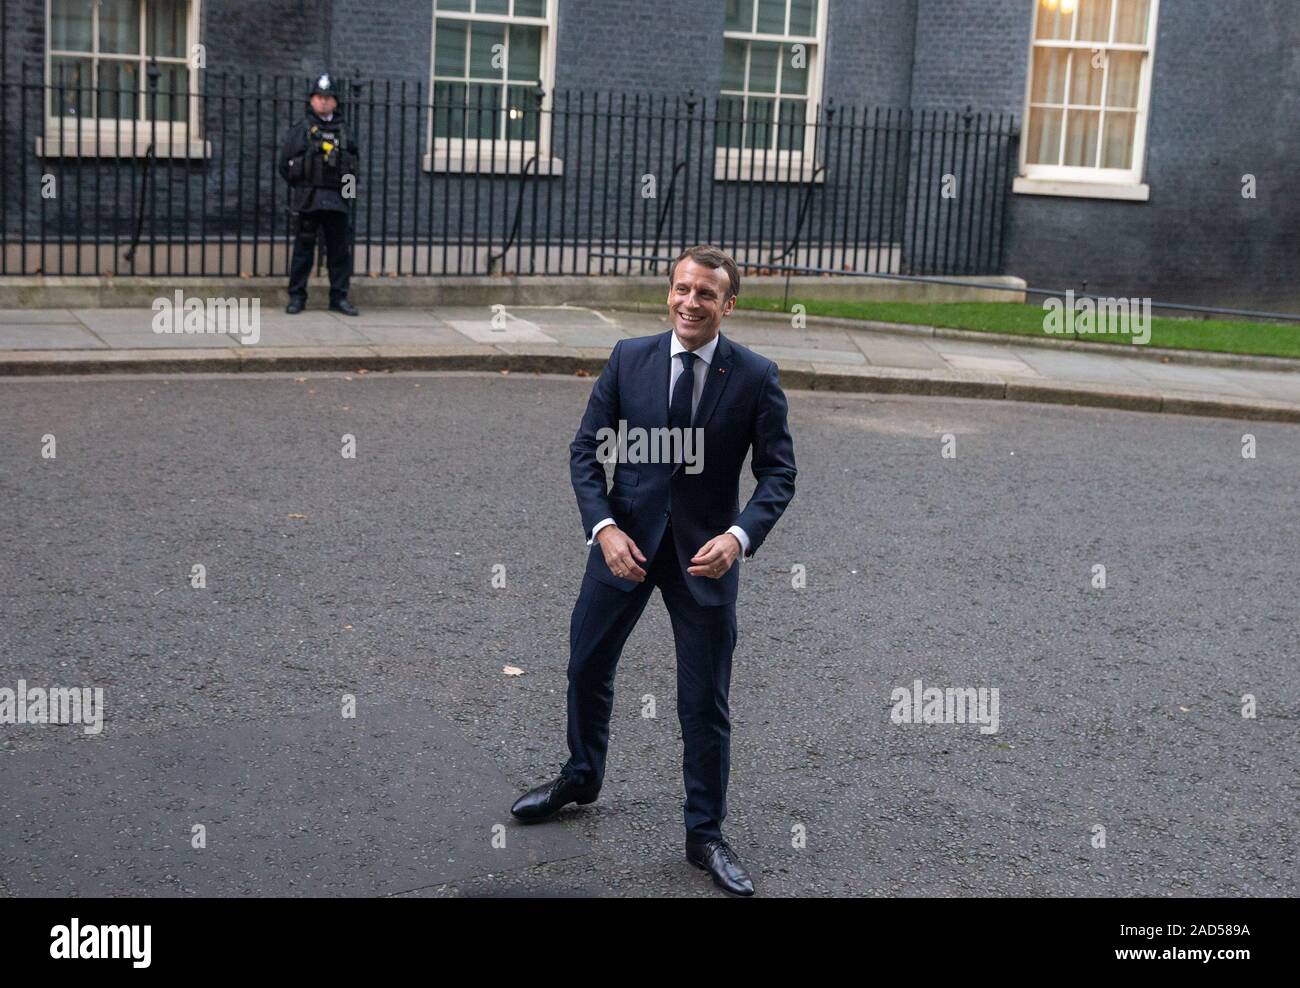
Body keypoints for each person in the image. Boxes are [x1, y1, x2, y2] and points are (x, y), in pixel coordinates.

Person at [510, 245, 797, 896]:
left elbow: (779, 472)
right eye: (681, 289)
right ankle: (581, 775)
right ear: (668, 293)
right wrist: (604, 527)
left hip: (705, 556)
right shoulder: (628, 360)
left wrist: (738, 537)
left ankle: (705, 835)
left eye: (706, 294)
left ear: (729, 304)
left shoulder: (753, 376)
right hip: (625, 545)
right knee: (586, 664)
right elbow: (587, 450)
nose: (690, 302)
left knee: (703, 702)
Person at [279, 72, 360, 316]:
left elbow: (354, 167)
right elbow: (285, 165)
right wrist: (301, 189)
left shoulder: (344, 131)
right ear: (311, 100)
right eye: (319, 97)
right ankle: (297, 297)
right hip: (309, 199)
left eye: (328, 97)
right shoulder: (301, 130)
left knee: (339, 252)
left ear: (335, 101)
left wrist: (348, 200)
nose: (323, 101)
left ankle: (339, 298)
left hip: (337, 201)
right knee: (303, 251)